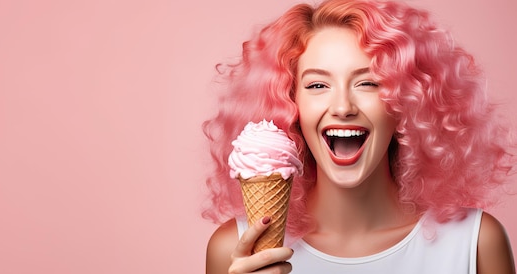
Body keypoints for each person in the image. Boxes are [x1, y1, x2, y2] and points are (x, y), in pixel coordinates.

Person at [202, 0, 516, 273]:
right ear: (291, 102)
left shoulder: (476, 244)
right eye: (317, 86)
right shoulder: (237, 251)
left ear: (406, 100)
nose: (342, 107)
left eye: (367, 83)